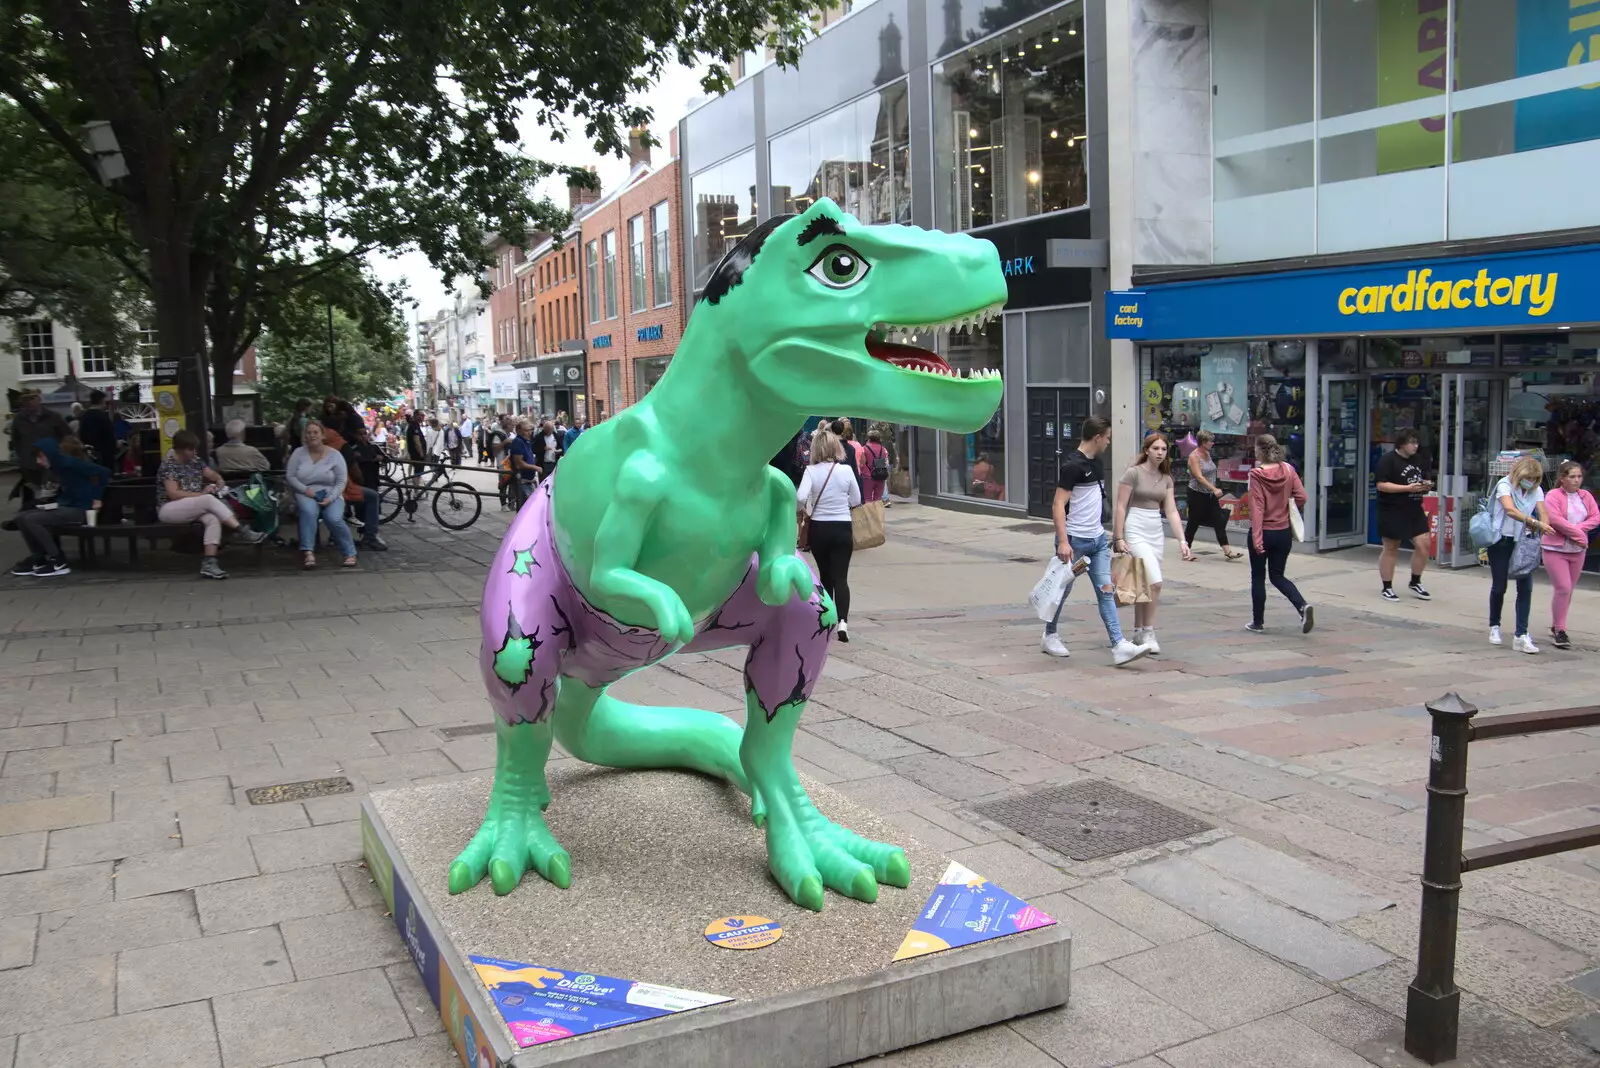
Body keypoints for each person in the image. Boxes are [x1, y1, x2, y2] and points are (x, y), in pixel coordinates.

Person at [1042, 416, 1150, 666]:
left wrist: (1114, 536)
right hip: (1075, 541)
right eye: (1108, 437)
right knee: (1061, 590)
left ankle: (1119, 645)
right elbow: (1059, 503)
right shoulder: (1071, 466)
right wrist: (1062, 541)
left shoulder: (1098, 464)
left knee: (1106, 591)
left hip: (1098, 540)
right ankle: (1049, 635)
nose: (1109, 441)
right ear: (1097, 437)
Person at [1113, 432, 1195, 654]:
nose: (1160, 453)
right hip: (1135, 527)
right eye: (1156, 448)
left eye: (1164, 449)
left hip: (1155, 530)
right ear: (1147, 450)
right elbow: (1120, 506)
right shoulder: (1133, 473)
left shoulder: (1166, 478)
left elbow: (1171, 511)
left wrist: (1182, 540)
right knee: (1156, 582)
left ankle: (1139, 631)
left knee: (1144, 583)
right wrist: (1118, 537)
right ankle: (1149, 631)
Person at [155, 429, 266, 579]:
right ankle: (242, 531)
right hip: (170, 509)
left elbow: (213, 475)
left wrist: (219, 482)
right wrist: (202, 494)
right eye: (190, 449)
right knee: (208, 500)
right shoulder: (169, 466)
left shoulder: (195, 462)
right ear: (180, 449)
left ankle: (209, 562)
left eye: (194, 449)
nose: (194, 452)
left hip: (193, 506)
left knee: (212, 519)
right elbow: (173, 493)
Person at [9, 437, 110, 578]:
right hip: (67, 506)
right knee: (21, 517)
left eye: (41, 457)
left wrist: (97, 497)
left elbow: (103, 472)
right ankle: (39, 556)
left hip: (79, 509)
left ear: (50, 454)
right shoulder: (58, 468)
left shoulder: (69, 463)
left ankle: (58, 560)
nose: (39, 462)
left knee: (32, 520)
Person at [798, 429, 862, 642]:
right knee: (841, 577)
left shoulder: (811, 471)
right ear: (836, 447)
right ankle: (843, 622)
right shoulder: (845, 471)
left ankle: (827, 618)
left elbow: (800, 497)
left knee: (825, 575)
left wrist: (808, 508)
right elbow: (856, 499)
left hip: (820, 528)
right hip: (842, 526)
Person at [1245, 434, 1313, 635]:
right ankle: (1302, 606)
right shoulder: (1288, 469)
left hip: (1263, 531)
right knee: (1277, 575)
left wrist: (1257, 538)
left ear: (1259, 450)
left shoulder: (1256, 474)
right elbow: (1302, 497)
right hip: (1283, 532)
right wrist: (1286, 504)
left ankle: (1258, 622)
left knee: (1258, 577)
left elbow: (1257, 508)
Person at [1486, 456, 1549, 653]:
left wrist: (1544, 525)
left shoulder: (1536, 490)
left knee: (1525, 587)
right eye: (1527, 477)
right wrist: (1536, 523)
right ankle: (1494, 625)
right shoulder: (1504, 485)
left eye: (1533, 477)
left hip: (1522, 542)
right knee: (1500, 586)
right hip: (1502, 540)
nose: (1529, 481)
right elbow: (1510, 510)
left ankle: (1521, 634)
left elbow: (1543, 511)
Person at [286, 421, 358, 569]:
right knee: (309, 511)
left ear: (322, 435)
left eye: (315, 432)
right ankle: (308, 552)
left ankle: (349, 552)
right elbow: (291, 476)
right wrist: (306, 490)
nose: (311, 435)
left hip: (330, 491)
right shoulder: (298, 453)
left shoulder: (335, 455)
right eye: (308, 433)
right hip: (306, 491)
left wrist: (331, 498)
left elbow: (341, 480)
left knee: (333, 518)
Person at [1541, 460, 1596, 650]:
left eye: (1579, 476)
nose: (1576, 480)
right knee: (1563, 587)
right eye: (1572, 476)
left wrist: (1578, 531)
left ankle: (1557, 623)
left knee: (1568, 590)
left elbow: (1595, 517)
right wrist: (1578, 534)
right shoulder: (1553, 496)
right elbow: (1555, 519)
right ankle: (1560, 630)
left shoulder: (1585, 496)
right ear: (1562, 478)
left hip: (1577, 550)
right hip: (1555, 549)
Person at [1374, 429, 1434, 601]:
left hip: (1414, 509)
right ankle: (1387, 586)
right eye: (1412, 442)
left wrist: (1425, 485)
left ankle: (1415, 581)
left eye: (1417, 442)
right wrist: (1407, 488)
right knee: (1391, 547)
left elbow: (1423, 477)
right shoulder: (1388, 460)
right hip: (1392, 509)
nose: (1415, 446)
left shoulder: (1418, 459)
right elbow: (1381, 485)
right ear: (1401, 444)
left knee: (1424, 545)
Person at [326, 424, 388, 552]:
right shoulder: (342, 445)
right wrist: (358, 482)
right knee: (371, 496)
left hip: (317, 490)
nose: (363, 436)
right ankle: (370, 537)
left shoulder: (316, 445)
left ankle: (334, 537)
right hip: (341, 489)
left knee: (346, 507)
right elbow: (354, 471)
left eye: (365, 433)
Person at [1184, 429, 1242, 560]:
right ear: (1203, 442)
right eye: (1210, 441)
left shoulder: (1207, 454)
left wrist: (1213, 489)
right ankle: (1186, 550)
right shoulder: (1194, 456)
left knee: (1218, 520)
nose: (1213, 443)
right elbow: (1199, 477)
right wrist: (1214, 489)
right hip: (1196, 494)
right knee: (1193, 522)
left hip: (1209, 495)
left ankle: (1227, 551)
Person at [8, 390, 69, 506]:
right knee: (33, 495)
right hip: (29, 465)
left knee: (51, 493)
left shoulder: (53, 417)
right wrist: (22, 458)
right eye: (25, 400)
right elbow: (16, 440)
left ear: (39, 400)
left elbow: (66, 437)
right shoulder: (18, 420)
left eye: (32, 399)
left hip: (51, 463)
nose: (28, 403)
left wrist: (61, 456)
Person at [76, 390, 118, 472]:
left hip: (88, 457)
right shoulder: (103, 417)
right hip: (104, 457)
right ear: (102, 400)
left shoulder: (84, 417)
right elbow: (109, 436)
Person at [506, 418, 542, 508]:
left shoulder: (526, 441)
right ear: (519, 431)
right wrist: (534, 467)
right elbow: (519, 463)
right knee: (524, 508)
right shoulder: (518, 442)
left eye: (530, 430)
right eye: (526, 430)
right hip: (521, 480)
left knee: (530, 507)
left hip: (528, 480)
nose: (529, 433)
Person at [859, 429, 891, 504]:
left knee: (867, 498)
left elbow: (862, 462)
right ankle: (878, 515)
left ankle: (869, 515)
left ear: (869, 438)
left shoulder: (864, 448)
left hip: (867, 476)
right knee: (878, 499)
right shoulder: (883, 449)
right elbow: (886, 463)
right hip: (881, 475)